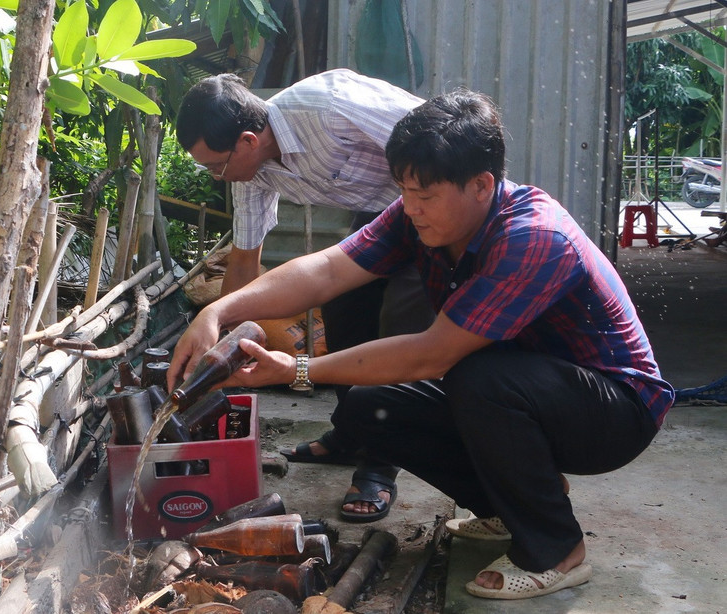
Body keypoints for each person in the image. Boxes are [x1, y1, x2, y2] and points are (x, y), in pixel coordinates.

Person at [167, 87, 674, 600]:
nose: (409, 208)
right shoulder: (418, 216)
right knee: (366, 409)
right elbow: (326, 269)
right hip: (536, 391)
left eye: (425, 196)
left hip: (615, 413)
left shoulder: (533, 237)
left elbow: (431, 353)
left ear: (481, 185)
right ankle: (510, 508)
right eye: (404, 191)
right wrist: (219, 310)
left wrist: (296, 369)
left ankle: (556, 550)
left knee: (479, 378)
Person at [176, 69, 435, 472]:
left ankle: (380, 466)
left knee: (398, 325)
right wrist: (220, 342)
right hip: (380, 218)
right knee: (342, 313)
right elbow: (244, 259)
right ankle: (351, 435)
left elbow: (439, 142)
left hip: (432, 208)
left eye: (216, 166)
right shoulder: (250, 173)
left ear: (247, 141)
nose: (215, 176)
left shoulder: (330, 107)